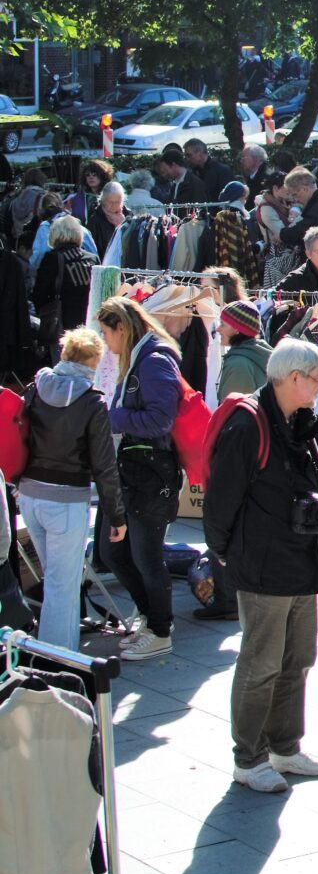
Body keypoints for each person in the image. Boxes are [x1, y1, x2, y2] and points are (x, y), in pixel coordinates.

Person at [203, 338, 318, 793]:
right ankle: (249, 757)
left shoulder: (296, 419)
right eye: (316, 378)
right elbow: (220, 500)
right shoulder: (248, 424)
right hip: (262, 564)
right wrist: (223, 552)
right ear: (293, 378)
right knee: (261, 664)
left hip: (299, 558)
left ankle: (285, 746)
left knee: (298, 659)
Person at [15, 328, 122, 651]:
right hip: (66, 500)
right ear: (93, 361)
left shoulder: (36, 387)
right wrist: (116, 515)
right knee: (63, 585)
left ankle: (51, 651)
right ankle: (59, 658)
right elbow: (104, 464)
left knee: (55, 579)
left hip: (30, 495)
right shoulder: (92, 402)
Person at [95, 297, 183, 660]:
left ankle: (160, 630)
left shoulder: (154, 359)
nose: (105, 343)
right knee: (112, 552)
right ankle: (151, 619)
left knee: (145, 556)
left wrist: (112, 417)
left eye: (105, 333)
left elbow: (162, 419)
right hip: (133, 471)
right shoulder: (141, 357)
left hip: (151, 473)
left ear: (121, 328)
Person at [31, 214, 96, 349]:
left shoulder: (52, 258)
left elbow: (39, 294)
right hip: (90, 324)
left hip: (61, 326)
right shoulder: (93, 259)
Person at [217, 299, 273, 399]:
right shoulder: (256, 352)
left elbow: (233, 406)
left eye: (223, 324)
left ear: (237, 329)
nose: (218, 329)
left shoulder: (238, 364)